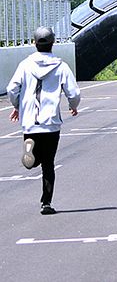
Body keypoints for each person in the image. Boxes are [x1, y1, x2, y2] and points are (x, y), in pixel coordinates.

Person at [6, 26, 80, 215]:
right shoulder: (61, 65)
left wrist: (17, 106)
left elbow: (12, 88)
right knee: (48, 164)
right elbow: (73, 92)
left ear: (34, 43)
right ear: (53, 43)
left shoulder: (25, 64)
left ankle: (31, 154)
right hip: (51, 122)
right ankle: (46, 203)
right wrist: (73, 105)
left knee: (34, 160)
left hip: (30, 120)